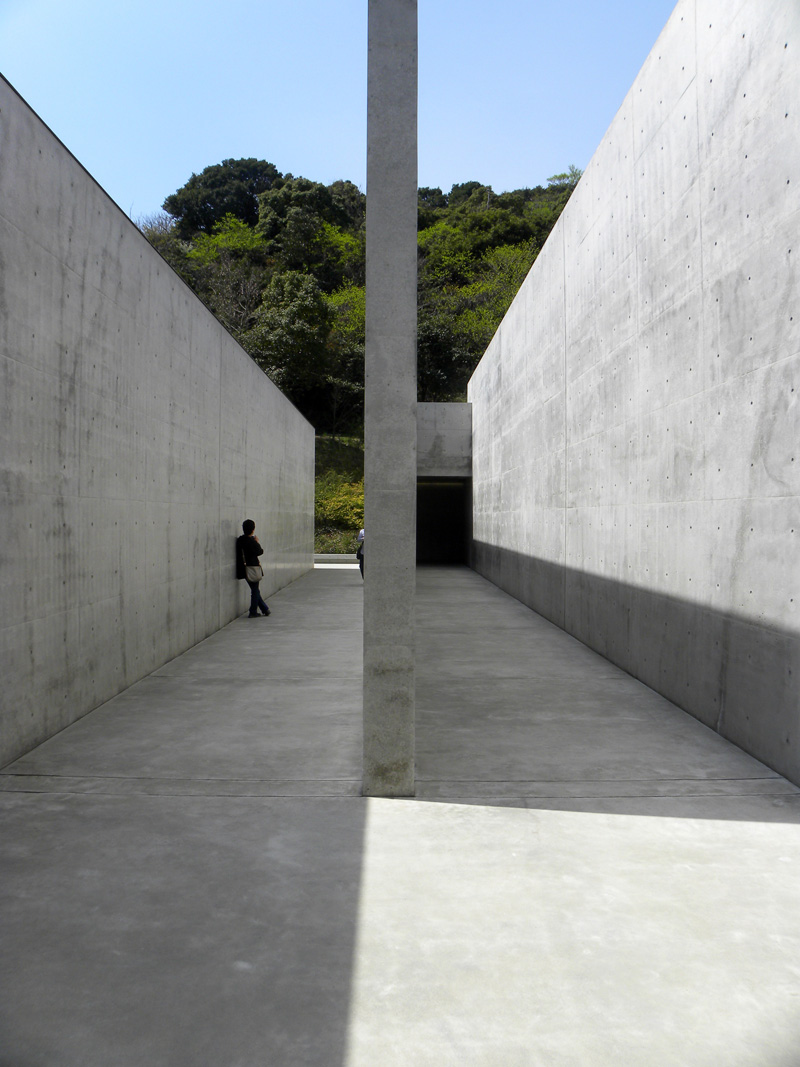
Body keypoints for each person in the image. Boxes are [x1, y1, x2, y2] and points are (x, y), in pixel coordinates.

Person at [236, 519, 271, 617]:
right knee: (255, 590)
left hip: (244, 569)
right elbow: (260, 551)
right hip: (253, 568)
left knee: (255, 589)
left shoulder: (240, 540)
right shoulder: (251, 541)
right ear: (253, 529)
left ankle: (265, 609)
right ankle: (253, 611)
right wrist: (256, 541)